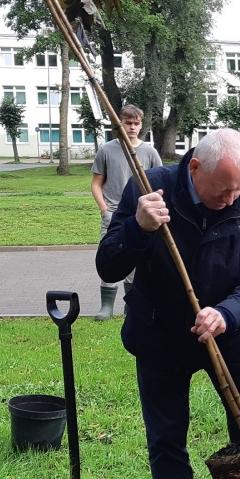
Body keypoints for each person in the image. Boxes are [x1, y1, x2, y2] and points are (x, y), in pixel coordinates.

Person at [94, 129, 240, 479]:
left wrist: (228, 312)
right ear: (194, 168)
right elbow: (108, 264)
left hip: (228, 337)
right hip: (160, 336)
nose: (234, 197)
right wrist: (138, 229)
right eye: (225, 188)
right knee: (166, 438)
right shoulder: (149, 190)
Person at [90, 104, 163, 321]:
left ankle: (130, 304)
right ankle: (106, 305)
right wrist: (104, 209)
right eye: (127, 122)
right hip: (112, 213)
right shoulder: (107, 150)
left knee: (135, 258)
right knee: (111, 254)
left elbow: (158, 181)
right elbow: (96, 183)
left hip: (139, 214)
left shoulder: (149, 152)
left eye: (136, 123)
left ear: (141, 125)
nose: (132, 127)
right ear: (119, 123)